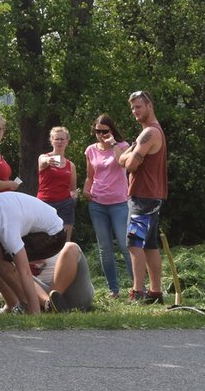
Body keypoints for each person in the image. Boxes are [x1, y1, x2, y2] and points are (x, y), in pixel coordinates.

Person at [0, 190, 66, 314]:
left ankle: (27, 305)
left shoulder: (7, 227)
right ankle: (12, 304)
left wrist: (35, 312)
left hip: (54, 236)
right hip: (39, 226)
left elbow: (25, 271)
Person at [118, 90, 168, 304]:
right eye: (132, 108)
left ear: (149, 106)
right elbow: (122, 160)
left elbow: (129, 164)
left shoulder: (150, 133)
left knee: (134, 243)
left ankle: (137, 292)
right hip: (151, 196)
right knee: (149, 245)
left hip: (143, 197)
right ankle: (155, 293)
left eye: (138, 106)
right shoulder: (152, 132)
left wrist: (129, 155)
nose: (135, 111)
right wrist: (129, 154)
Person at [82, 113, 131, 298]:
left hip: (119, 203)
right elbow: (90, 176)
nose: (101, 135)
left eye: (105, 131)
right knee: (105, 248)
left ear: (112, 130)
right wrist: (86, 190)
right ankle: (113, 289)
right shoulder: (90, 150)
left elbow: (123, 163)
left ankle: (138, 288)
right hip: (97, 203)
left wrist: (113, 144)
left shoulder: (122, 146)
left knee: (126, 245)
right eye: (98, 131)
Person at [36, 125, 79, 241]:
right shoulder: (44, 157)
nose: (59, 142)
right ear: (51, 141)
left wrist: (74, 197)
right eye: (56, 139)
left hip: (65, 205)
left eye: (62, 139)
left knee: (65, 241)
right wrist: (48, 160)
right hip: (45, 203)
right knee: (43, 240)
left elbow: (73, 188)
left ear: (67, 141)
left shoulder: (71, 165)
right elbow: (42, 161)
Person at [30, 240, 95, 312]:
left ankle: (52, 303)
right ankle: (49, 304)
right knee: (19, 268)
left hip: (74, 292)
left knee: (71, 248)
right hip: (40, 293)